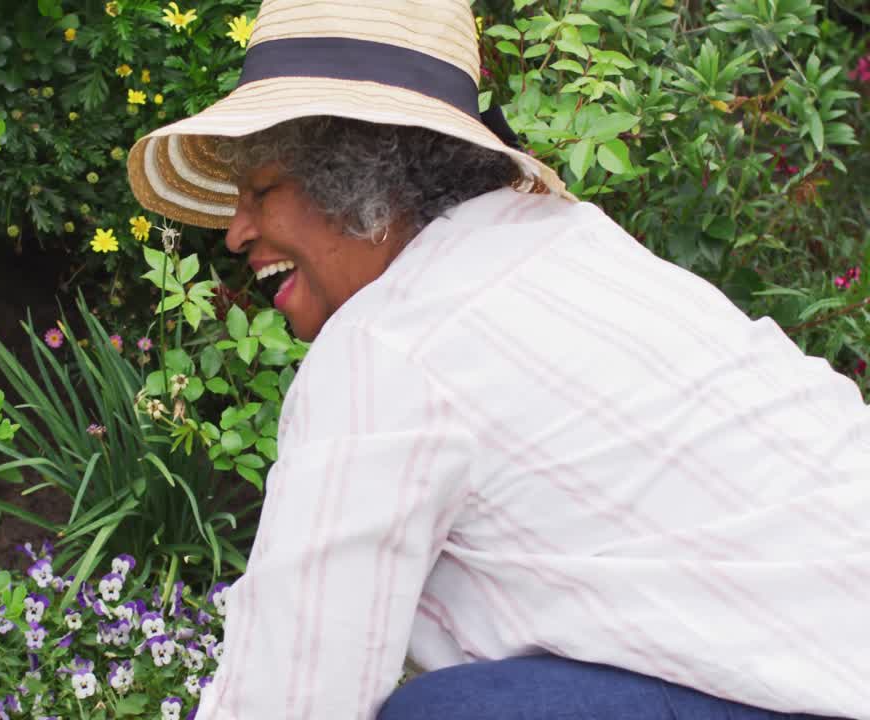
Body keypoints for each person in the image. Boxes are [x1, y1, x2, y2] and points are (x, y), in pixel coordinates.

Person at [126, 1, 870, 718]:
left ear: (358, 181)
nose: (234, 233)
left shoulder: (391, 344)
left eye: (259, 190)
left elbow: (290, 696)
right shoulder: (568, 243)